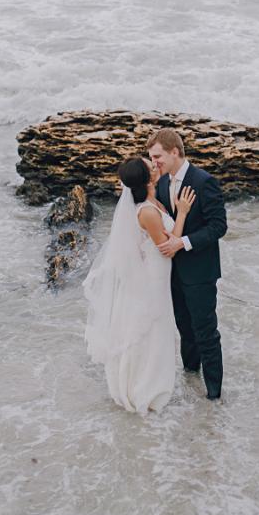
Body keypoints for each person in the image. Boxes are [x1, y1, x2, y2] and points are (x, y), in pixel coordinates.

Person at [83, 156, 195, 414]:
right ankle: (146, 388)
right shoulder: (146, 211)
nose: (154, 164)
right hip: (153, 277)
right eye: (149, 164)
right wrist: (183, 213)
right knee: (155, 329)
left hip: (154, 272)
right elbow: (168, 248)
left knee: (156, 328)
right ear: (147, 179)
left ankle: (146, 380)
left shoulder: (151, 202)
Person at [147, 128, 227, 401]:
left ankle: (214, 394)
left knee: (205, 330)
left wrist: (184, 242)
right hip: (172, 272)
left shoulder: (203, 181)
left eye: (157, 156)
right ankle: (191, 374)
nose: (154, 162)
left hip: (200, 271)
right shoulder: (160, 183)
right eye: (151, 158)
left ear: (174, 151)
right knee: (184, 326)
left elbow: (218, 226)